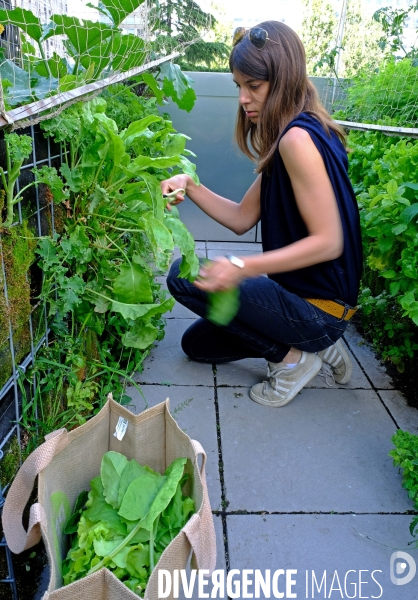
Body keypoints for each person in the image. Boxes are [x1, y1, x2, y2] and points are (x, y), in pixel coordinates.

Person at [160, 21, 363, 408]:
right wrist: (189, 182)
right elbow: (240, 218)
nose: (243, 98)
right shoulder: (293, 136)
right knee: (196, 344)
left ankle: (295, 361)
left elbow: (329, 241)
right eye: (239, 86)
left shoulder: (297, 140)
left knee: (182, 277)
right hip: (301, 300)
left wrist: (241, 267)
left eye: (254, 86)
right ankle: (319, 349)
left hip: (319, 309)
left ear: (284, 80)